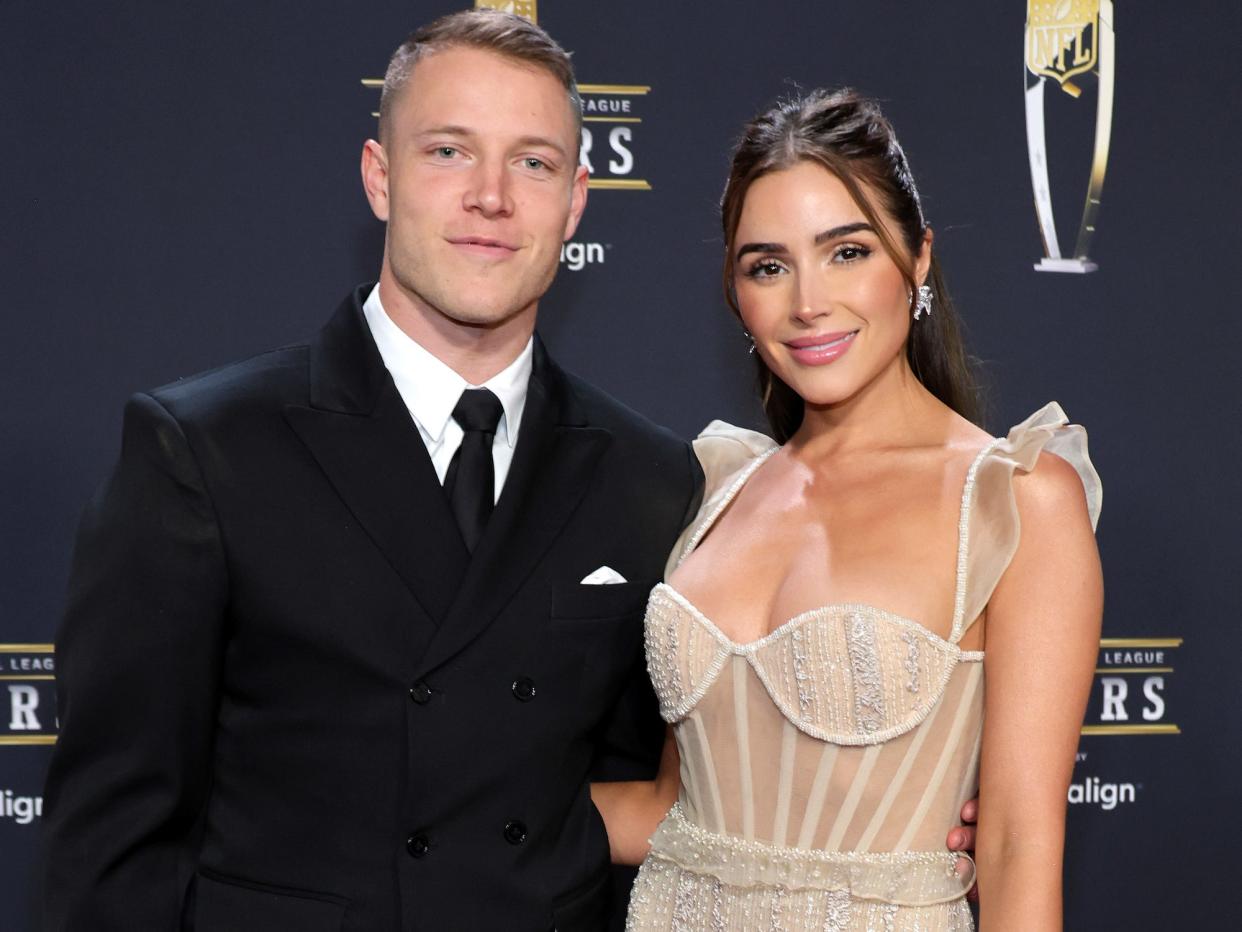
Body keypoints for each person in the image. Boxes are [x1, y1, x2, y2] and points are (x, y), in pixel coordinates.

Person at [40, 11, 705, 931]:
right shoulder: (204, 450)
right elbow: (108, 850)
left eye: (534, 163)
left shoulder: (649, 475)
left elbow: (650, 804)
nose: (491, 196)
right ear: (379, 178)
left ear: (577, 203)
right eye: (447, 152)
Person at [594, 90, 1103, 930]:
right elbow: (668, 811)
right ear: (735, 291)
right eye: (768, 265)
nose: (808, 303)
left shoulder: (1014, 500)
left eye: (846, 252)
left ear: (919, 257)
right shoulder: (718, 491)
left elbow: (1014, 851)